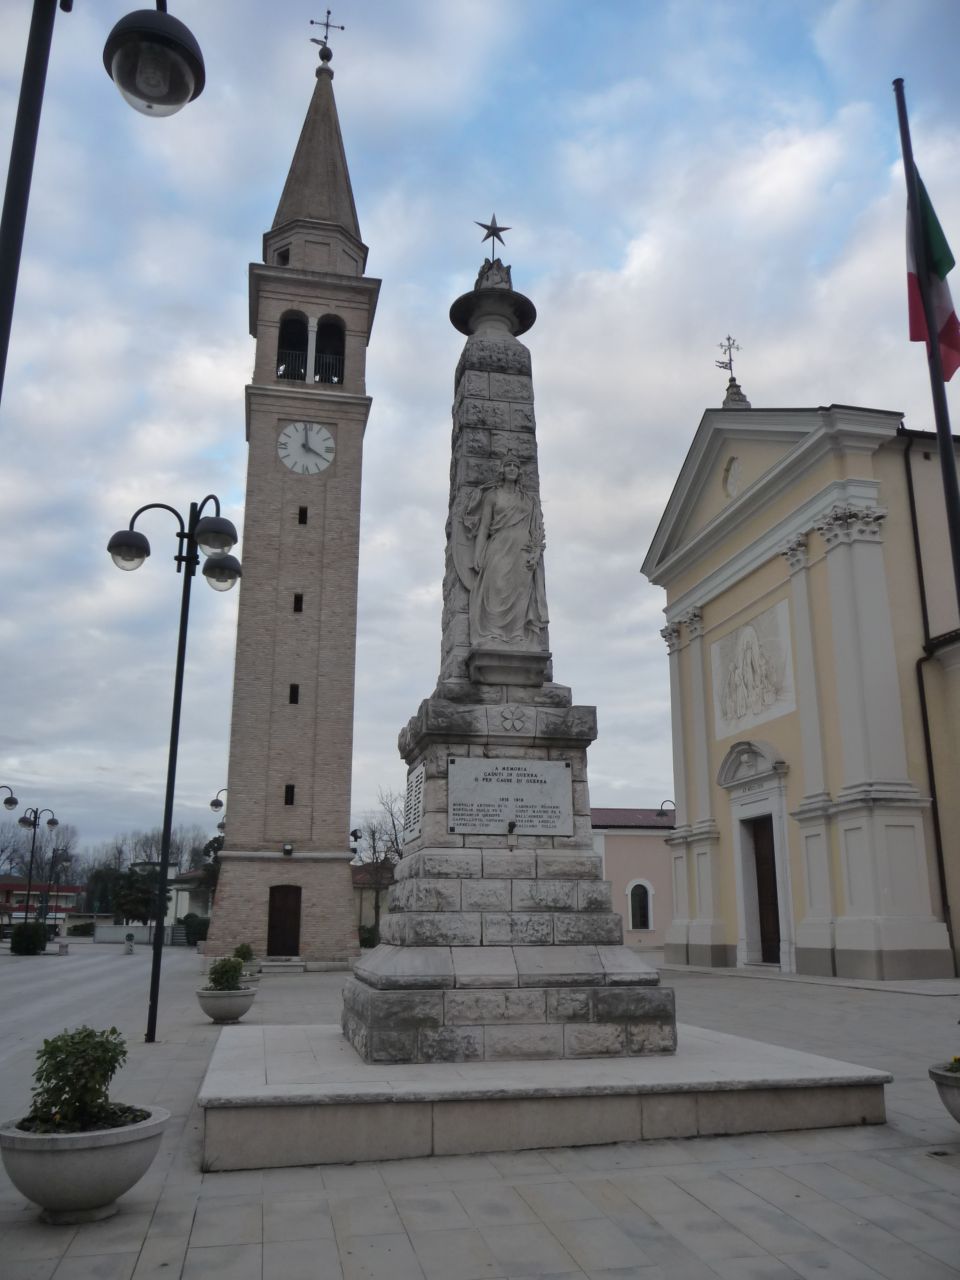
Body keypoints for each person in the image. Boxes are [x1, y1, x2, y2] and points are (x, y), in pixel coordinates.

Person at [464, 458, 548, 648]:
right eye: (508, 465)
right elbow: (484, 527)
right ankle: (493, 632)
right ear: (502, 470)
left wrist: (536, 552)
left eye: (515, 466)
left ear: (519, 471)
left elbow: (537, 530)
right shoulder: (492, 496)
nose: (511, 469)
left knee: (521, 591)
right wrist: (478, 553)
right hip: (499, 547)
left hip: (523, 551)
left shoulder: (528, 499)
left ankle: (518, 633)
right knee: (497, 587)